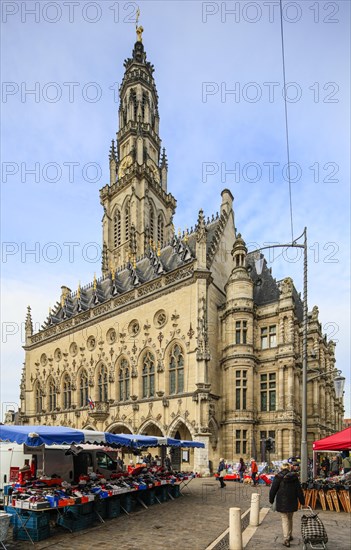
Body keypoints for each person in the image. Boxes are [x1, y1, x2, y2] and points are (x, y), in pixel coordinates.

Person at [269, 462, 305, 548]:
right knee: (290, 518)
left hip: (282, 500)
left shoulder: (278, 477)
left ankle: (286, 539)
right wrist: (302, 501)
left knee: (284, 519)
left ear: (281, 468)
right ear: (289, 468)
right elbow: (299, 490)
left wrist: (271, 499)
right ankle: (290, 535)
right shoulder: (294, 477)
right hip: (292, 500)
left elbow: (273, 489)